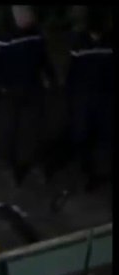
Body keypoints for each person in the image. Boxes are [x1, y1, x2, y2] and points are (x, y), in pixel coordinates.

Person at [52, 7, 113, 210]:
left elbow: (72, 74)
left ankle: (93, 173)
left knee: (97, 139)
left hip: (96, 99)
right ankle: (89, 173)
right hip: (91, 99)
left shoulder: (84, 43)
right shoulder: (90, 43)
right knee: (86, 138)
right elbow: (72, 75)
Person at [0, 6, 57, 187]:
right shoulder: (3, 38)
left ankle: (37, 164)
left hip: (32, 87)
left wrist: (51, 79)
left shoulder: (35, 35)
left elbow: (44, 59)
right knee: (10, 131)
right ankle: (12, 168)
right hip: (12, 91)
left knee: (35, 129)